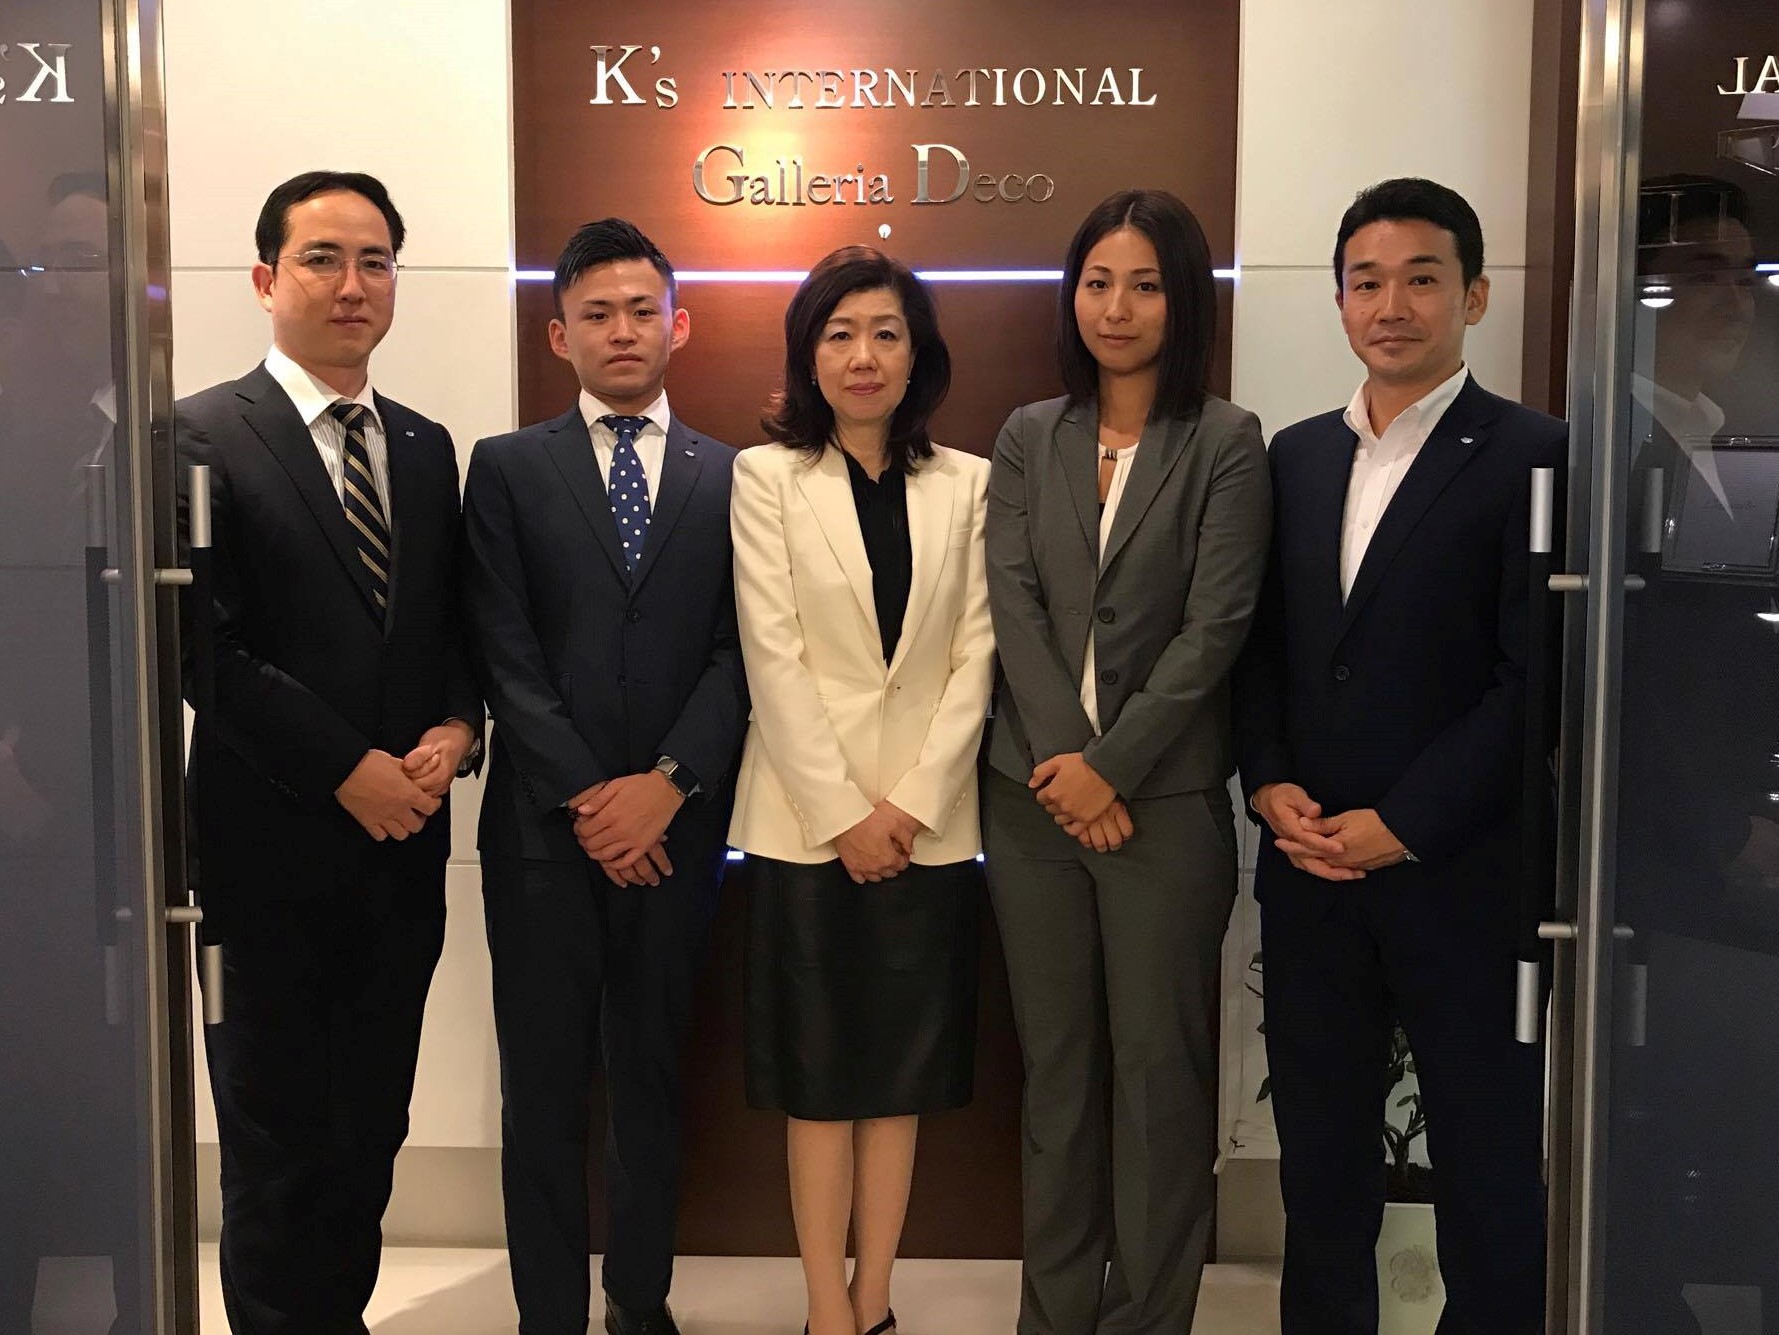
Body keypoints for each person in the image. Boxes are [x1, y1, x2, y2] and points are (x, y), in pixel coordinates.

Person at [1235, 177, 1566, 1335]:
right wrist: (1269, 780)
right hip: (1310, 868)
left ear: (1473, 295)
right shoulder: (1293, 458)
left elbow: (1535, 680)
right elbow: (1263, 648)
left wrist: (1407, 822)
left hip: (1462, 873)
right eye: (1366, 282)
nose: (1392, 305)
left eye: (1422, 279)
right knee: (1321, 1164)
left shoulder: (1535, 453)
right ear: (1338, 302)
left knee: (1487, 1160)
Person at [175, 170, 483, 1334]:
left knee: (368, 1132)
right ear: (266, 279)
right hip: (265, 857)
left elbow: (447, 628)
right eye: (322, 258)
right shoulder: (199, 433)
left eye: (375, 261)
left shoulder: (425, 446)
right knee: (274, 1142)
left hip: (401, 858)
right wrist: (347, 771)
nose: (353, 284)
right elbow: (203, 647)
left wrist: (458, 727)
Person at [983, 188, 1271, 1334]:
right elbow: (1012, 605)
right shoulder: (1028, 435)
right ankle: (1054, 1317)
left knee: (1160, 1080)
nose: (1117, 307)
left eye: (1145, 285)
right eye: (1098, 282)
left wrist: (1114, 767)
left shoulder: (1226, 441)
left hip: (1165, 806)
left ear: (1183, 299)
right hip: (1031, 805)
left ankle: (1149, 1318)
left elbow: (1216, 627)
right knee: (1058, 1077)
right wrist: (1070, 763)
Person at [462, 218, 748, 1335]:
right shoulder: (505, 468)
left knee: (650, 1074)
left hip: (677, 831)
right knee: (540, 1088)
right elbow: (502, 648)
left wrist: (666, 783)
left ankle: (639, 1297)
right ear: (559, 335)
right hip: (542, 833)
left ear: (679, 324)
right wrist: (593, 798)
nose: (621, 330)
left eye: (641, 310)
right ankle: (546, 1313)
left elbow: (742, 652)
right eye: (596, 313)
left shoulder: (734, 476)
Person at [728, 246, 993, 1335]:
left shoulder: (969, 482)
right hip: (804, 827)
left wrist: (910, 805)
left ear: (917, 353)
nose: (863, 355)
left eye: (886, 333)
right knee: (819, 1080)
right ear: (809, 354)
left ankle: (875, 1300)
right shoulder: (765, 478)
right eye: (838, 335)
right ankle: (824, 1308)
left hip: (927, 828)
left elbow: (976, 656)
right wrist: (845, 816)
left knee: (899, 1080)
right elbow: (773, 656)